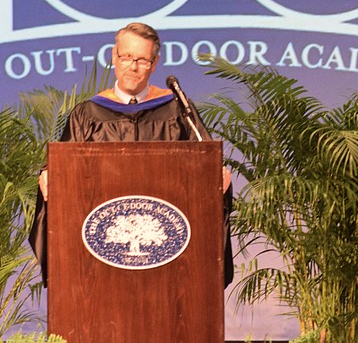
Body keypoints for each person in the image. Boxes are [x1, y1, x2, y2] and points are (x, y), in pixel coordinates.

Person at [28, 22, 233, 286]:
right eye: (126, 57)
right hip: (98, 266)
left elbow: (207, 162)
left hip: (170, 266)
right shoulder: (88, 114)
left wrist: (219, 175)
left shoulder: (176, 110)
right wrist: (48, 176)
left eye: (142, 60)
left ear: (155, 63)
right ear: (114, 56)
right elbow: (63, 168)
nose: (133, 67)